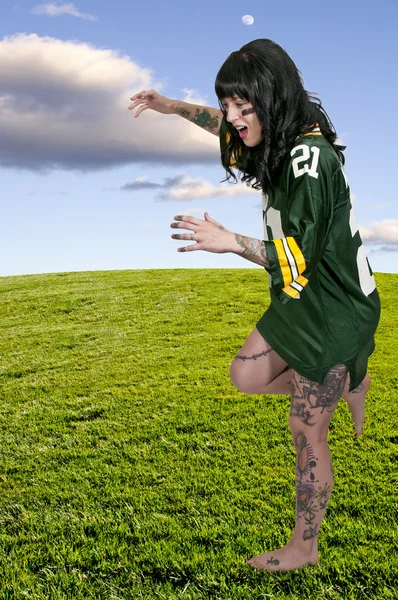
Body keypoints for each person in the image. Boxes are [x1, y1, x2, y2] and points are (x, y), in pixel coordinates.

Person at [128, 38, 381, 572]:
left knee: (307, 430)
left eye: (245, 109)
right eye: (228, 107)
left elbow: (298, 257)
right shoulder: (283, 124)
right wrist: (171, 106)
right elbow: (227, 130)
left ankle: (303, 549)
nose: (234, 121)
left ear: (273, 99)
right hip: (303, 297)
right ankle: (349, 381)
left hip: (332, 306)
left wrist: (230, 242)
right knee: (244, 375)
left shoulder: (308, 160)